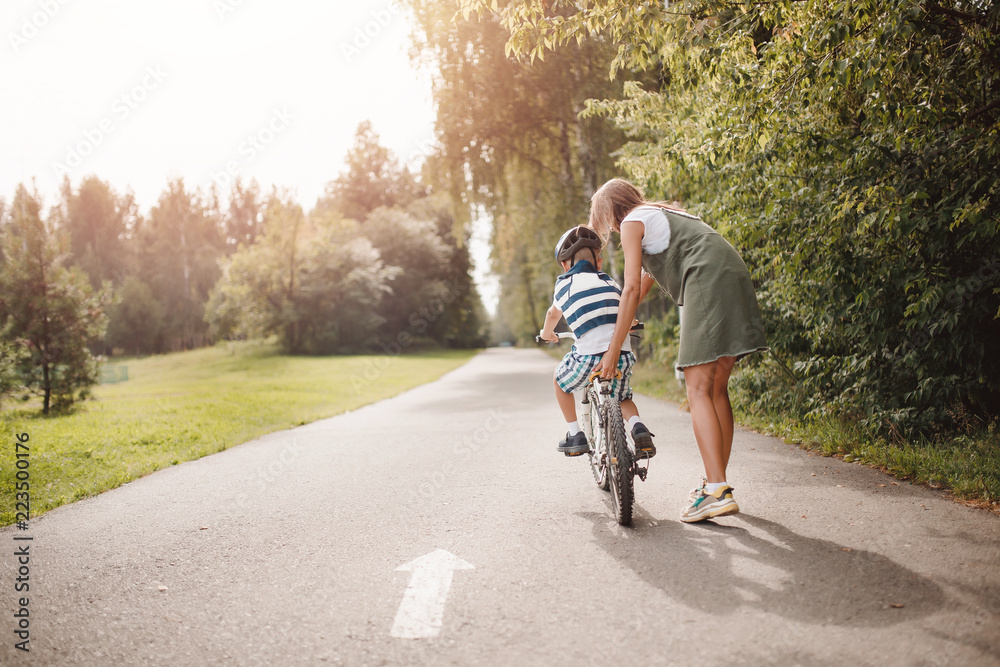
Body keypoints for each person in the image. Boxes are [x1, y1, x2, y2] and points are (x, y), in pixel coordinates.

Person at [589, 179, 767, 523]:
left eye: (605, 217)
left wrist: (611, 354)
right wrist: (618, 327)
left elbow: (626, 290)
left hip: (707, 280)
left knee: (697, 387)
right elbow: (641, 286)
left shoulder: (631, 223)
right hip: (732, 274)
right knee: (715, 389)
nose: (610, 225)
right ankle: (717, 485)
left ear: (612, 211)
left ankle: (716, 488)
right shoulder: (662, 214)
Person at [539, 225, 656, 459]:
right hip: (621, 355)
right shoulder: (610, 283)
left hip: (588, 359)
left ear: (564, 265)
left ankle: (575, 434)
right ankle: (637, 427)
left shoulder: (564, 284)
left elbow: (553, 314)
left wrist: (546, 333)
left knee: (559, 382)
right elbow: (622, 310)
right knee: (622, 397)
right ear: (599, 262)